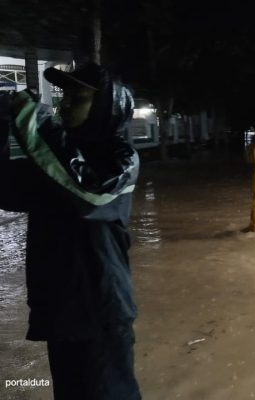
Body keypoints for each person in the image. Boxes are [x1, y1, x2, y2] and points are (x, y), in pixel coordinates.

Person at [0, 62, 141, 399]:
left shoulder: (120, 159)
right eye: (64, 97)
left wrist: (32, 118)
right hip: (61, 312)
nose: (63, 105)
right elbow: (5, 189)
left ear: (106, 107)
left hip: (100, 312)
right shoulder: (54, 162)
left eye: (76, 98)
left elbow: (90, 193)